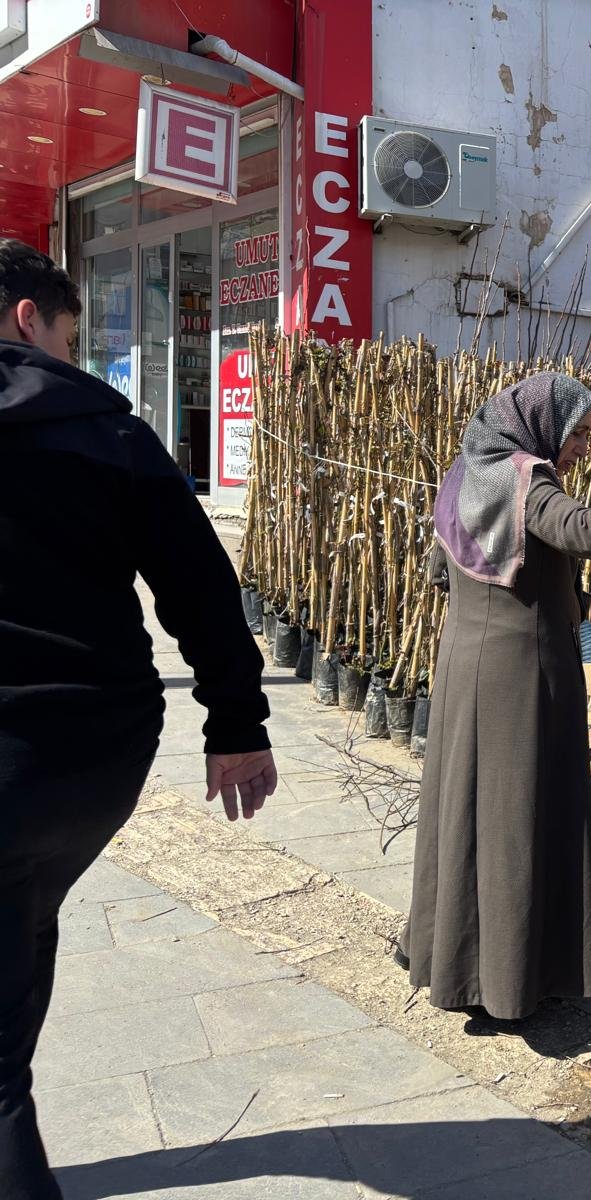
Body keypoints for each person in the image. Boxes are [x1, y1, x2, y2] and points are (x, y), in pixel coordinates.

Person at [0, 238, 277, 1200]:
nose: (68, 358)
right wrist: (236, 725)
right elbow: (200, 585)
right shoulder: (110, 432)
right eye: (68, 338)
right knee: (23, 920)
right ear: (28, 319)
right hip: (96, 755)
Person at [401, 373, 591, 1023]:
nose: (583, 447)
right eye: (577, 433)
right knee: (514, 823)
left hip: (465, 667)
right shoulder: (525, 481)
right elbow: (588, 531)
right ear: (540, 427)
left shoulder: (466, 471)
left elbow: (439, 570)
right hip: (519, 680)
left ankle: (456, 959)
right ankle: (508, 980)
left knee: (469, 815)